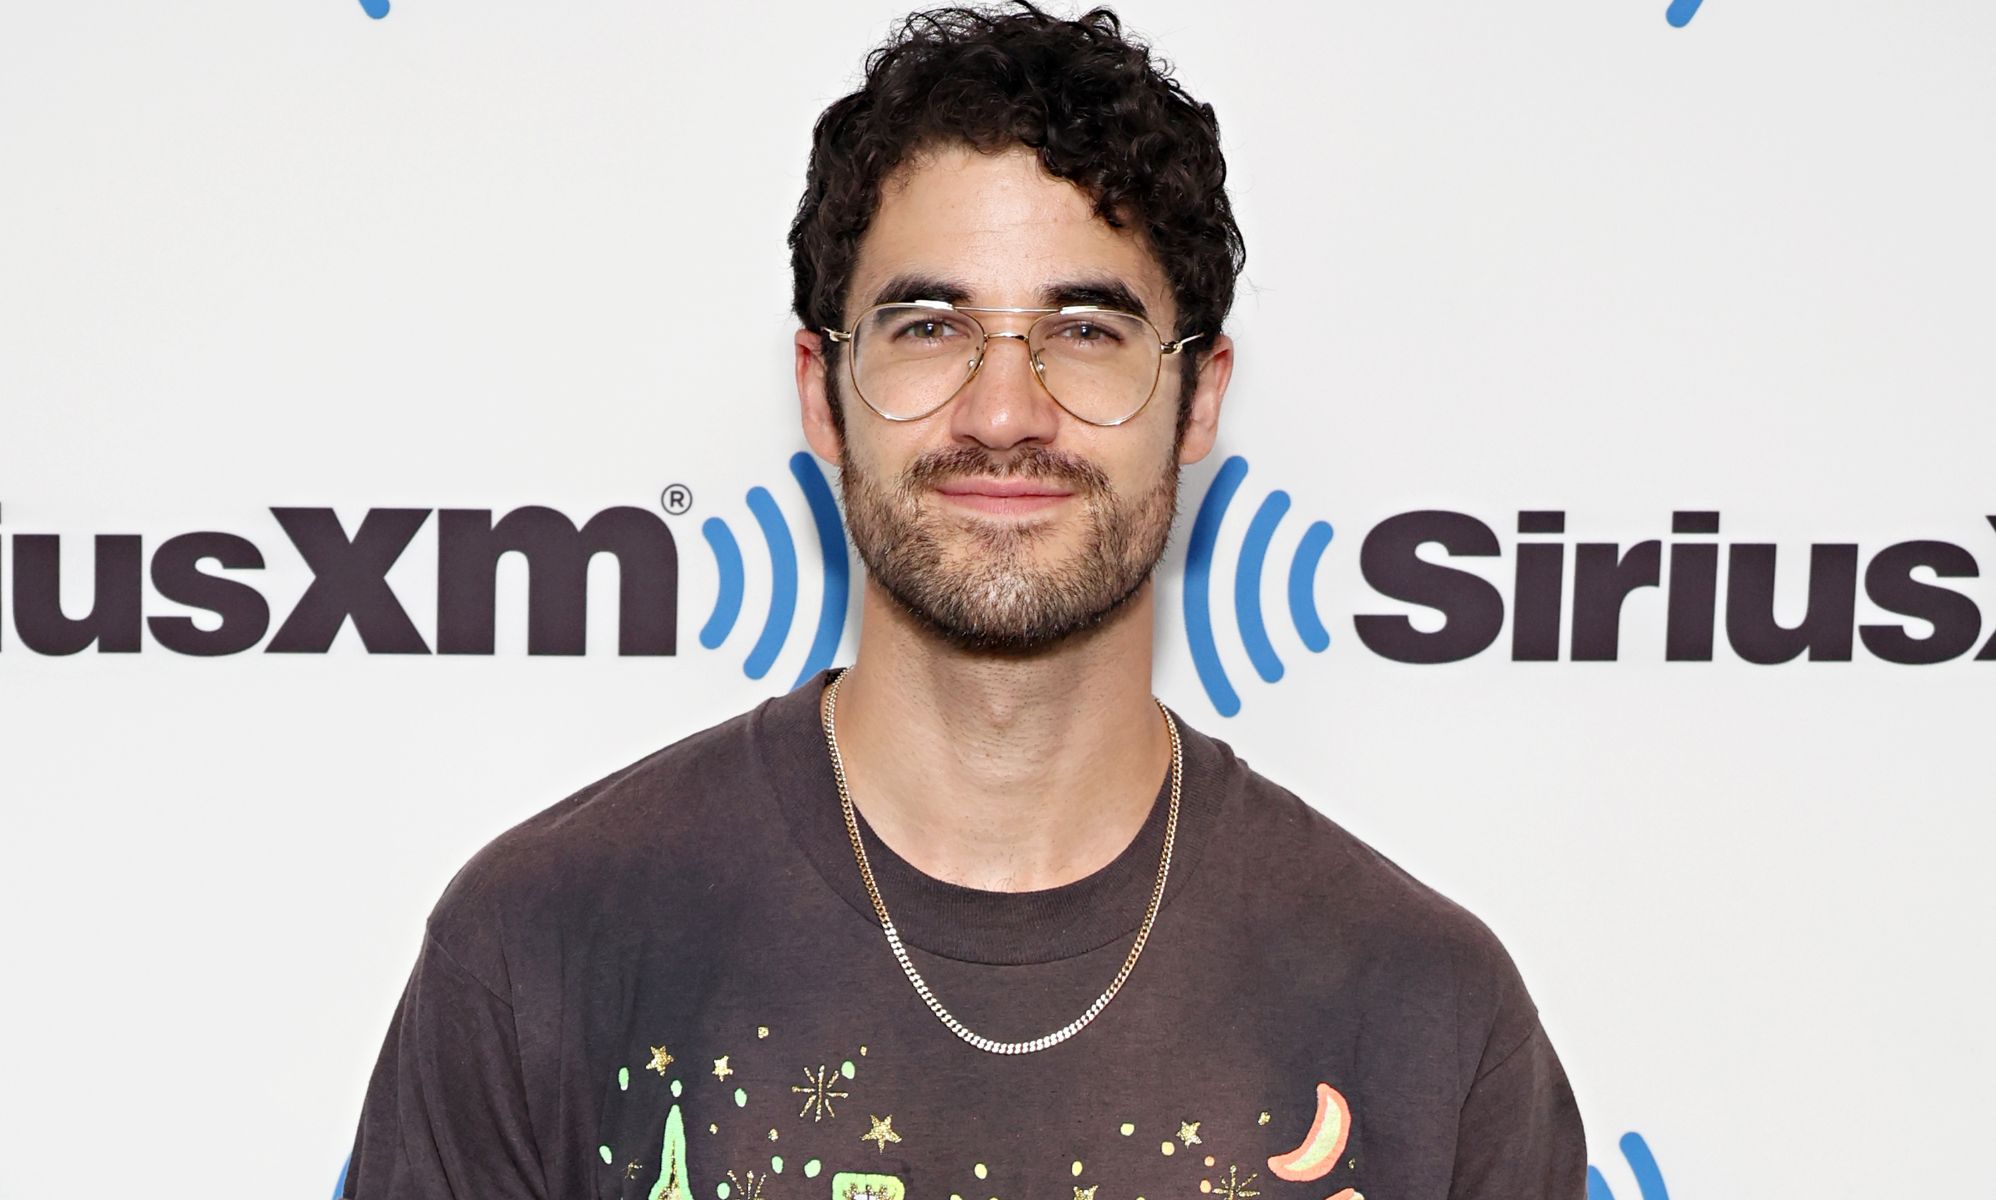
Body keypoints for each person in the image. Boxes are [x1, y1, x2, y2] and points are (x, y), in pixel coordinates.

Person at [340, 5, 1586, 1198]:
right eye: (930, 326)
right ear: (823, 394)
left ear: (1197, 399)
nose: (1002, 412)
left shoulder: (1424, 1011)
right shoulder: (542, 946)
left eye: (1086, 331)